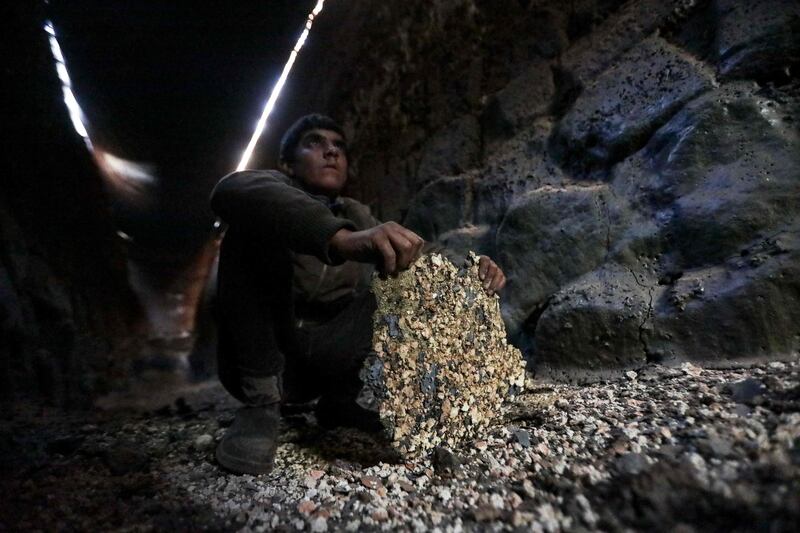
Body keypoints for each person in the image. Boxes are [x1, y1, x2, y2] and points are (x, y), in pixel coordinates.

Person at [209, 114, 506, 474]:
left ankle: (339, 402)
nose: (330, 151)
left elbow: (421, 259)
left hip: (322, 360)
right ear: (288, 163)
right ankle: (260, 407)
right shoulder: (267, 186)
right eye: (315, 143)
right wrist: (340, 239)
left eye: (338, 146)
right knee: (247, 225)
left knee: (402, 273)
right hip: (261, 361)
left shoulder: (358, 214)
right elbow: (228, 190)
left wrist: (469, 271)